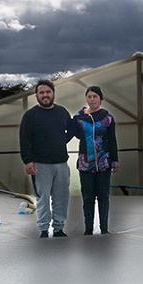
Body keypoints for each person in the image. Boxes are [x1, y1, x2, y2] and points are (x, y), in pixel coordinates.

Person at [19, 79, 73, 238]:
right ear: (36, 96)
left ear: (53, 93)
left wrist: (61, 141)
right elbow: (24, 139)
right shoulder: (30, 116)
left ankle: (58, 228)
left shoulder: (62, 112)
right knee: (42, 198)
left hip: (61, 163)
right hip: (40, 165)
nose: (45, 95)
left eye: (48, 92)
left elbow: (71, 130)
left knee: (61, 197)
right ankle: (43, 229)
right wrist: (27, 161)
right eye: (41, 92)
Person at [72, 85, 119, 235]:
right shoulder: (79, 117)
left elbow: (112, 139)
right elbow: (74, 134)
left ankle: (104, 228)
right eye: (89, 96)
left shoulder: (108, 118)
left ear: (101, 99)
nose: (92, 99)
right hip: (85, 161)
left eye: (95, 96)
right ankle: (88, 229)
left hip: (103, 161)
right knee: (88, 197)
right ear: (86, 99)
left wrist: (115, 160)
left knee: (103, 196)